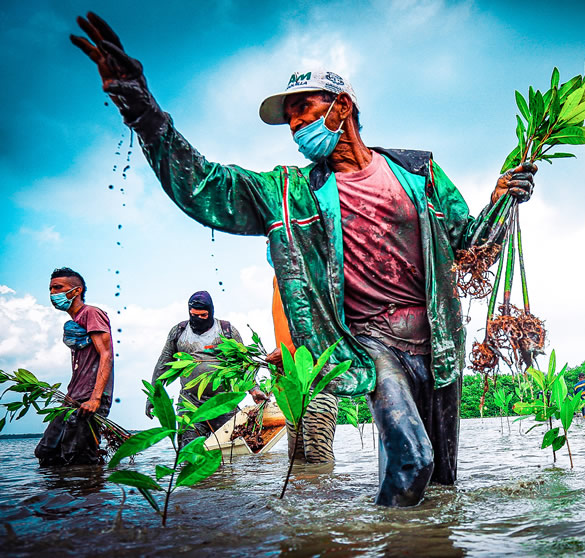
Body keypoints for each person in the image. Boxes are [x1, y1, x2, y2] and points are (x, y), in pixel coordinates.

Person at [72, 13, 535, 507]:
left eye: (304, 107)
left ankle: (404, 540)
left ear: (344, 105)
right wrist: (140, 107)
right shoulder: (289, 192)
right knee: (412, 459)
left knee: (442, 483)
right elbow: (205, 185)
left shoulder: (420, 174)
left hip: (439, 343)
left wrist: (503, 200)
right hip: (370, 344)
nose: (295, 123)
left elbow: (468, 243)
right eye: (289, 116)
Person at [148, 291, 265, 445]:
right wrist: (153, 396)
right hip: (190, 404)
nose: (198, 320)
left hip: (222, 403)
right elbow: (163, 364)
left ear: (211, 312)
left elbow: (245, 365)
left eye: (203, 315)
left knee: (237, 450)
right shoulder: (179, 332)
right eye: (193, 315)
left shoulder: (226, 331)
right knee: (189, 453)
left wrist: (254, 389)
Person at [267, 240, 339, 466]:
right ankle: (298, 502)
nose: (270, 245)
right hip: (290, 380)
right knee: (295, 459)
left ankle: (326, 501)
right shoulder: (278, 280)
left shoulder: (313, 272)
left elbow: (324, 325)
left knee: (317, 454)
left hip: (316, 377)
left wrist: (290, 350)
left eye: (273, 241)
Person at [35, 267, 114, 466]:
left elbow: (106, 355)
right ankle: (60, 495)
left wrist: (95, 399)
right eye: (51, 289)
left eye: (58, 288)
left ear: (76, 290)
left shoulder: (91, 313)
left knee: (78, 458)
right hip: (73, 397)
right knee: (46, 451)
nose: (53, 293)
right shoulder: (75, 320)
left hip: (90, 397)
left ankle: (91, 493)